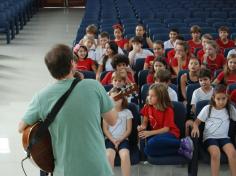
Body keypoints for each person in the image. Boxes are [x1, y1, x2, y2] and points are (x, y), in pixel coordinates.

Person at [18, 44, 117, 176]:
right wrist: (111, 101)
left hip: (65, 170)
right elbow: (112, 120)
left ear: (50, 70)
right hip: (97, 168)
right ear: (72, 63)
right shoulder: (94, 86)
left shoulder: (41, 97)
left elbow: (21, 128)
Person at [191, 84, 236, 176]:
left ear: (227, 98)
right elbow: (196, 122)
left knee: (232, 153)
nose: (221, 102)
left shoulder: (230, 108)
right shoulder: (207, 108)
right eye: (218, 99)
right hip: (210, 138)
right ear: (213, 98)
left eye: (224, 98)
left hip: (224, 138)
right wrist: (195, 127)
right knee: (215, 154)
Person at [137, 83, 181, 157]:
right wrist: (142, 127)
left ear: (161, 97)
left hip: (171, 134)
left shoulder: (168, 110)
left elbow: (166, 129)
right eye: (149, 95)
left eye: (152, 96)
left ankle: (181, 143)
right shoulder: (147, 107)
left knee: (152, 142)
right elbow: (144, 123)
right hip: (157, 135)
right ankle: (181, 149)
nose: (149, 98)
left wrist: (149, 133)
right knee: (147, 150)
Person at [103, 87, 133, 176]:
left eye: (118, 98)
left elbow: (129, 130)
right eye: (113, 98)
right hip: (110, 139)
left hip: (123, 139)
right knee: (108, 156)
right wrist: (113, 140)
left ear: (123, 99)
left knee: (125, 156)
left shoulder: (127, 112)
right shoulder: (106, 112)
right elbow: (105, 129)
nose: (115, 101)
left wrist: (119, 140)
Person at [185, 68, 213, 136]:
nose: (203, 82)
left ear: (210, 79)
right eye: (201, 80)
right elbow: (194, 108)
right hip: (199, 117)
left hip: (212, 116)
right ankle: (188, 142)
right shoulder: (196, 92)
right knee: (187, 123)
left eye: (205, 79)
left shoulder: (215, 91)